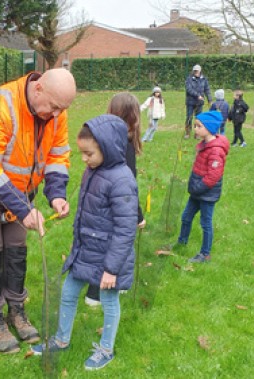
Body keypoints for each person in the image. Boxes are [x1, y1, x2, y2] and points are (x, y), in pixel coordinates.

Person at [0, 68, 76, 353]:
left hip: (19, 196)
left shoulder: (55, 112)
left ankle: (17, 311)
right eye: (53, 107)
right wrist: (24, 209)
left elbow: (58, 154)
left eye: (61, 109)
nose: (56, 115)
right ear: (38, 89)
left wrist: (56, 194)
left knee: (16, 252)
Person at [30, 115, 138, 371]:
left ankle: (106, 349)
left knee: (109, 303)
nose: (84, 159)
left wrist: (112, 268)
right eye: (81, 153)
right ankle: (61, 340)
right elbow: (90, 213)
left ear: (107, 147)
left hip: (110, 257)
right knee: (68, 293)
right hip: (86, 250)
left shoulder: (122, 180)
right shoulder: (93, 171)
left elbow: (125, 229)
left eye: (88, 153)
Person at [84, 92, 145, 307]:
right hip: (113, 205)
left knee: (100, 244)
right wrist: (137, 215)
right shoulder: (124, 145)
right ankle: (95, 294)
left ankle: (100, 289)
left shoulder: (106, 141)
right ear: (133, 116)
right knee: (114, 246)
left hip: (99, 202)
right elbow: (127, 187)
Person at [176, 111, 230, 263]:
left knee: (205, 223)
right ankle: (181, 242)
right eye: (195, 126)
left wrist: (198, 187)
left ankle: (205, 254)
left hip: (207, 193)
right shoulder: (204, 145)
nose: (195, 129)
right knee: (186, 217)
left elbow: (213, 175)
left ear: (209, 128)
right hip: (196, 191)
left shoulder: (216, 150)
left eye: (199, 126)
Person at [184, 64, 212, 139]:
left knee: (198, 119)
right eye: (195, 71)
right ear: (193, 71)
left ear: (200, 71)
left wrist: (209, 99)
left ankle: (197, 134)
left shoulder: (204, 79)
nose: (196, 72)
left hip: (199, 103)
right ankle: (187, 133)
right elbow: (189, 89)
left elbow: (207, 89)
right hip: (190, 102)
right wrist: (198, 95)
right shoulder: (189, 79)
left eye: (197, 70)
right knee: (189, 117)